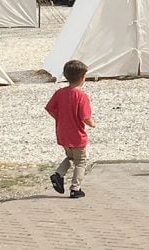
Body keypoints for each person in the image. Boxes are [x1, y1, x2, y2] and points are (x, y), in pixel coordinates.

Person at [45, 60, 96, 198]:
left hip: (63, 133)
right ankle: (75, 188)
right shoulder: (82, 96)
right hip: (77, 135)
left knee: (70, 156)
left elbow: (49, 108)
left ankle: (58, 174)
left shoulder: (60, 93)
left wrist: (58, 117)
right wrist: (92, 123)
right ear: (82, 78)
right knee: (81, 161)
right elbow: (85, 116)